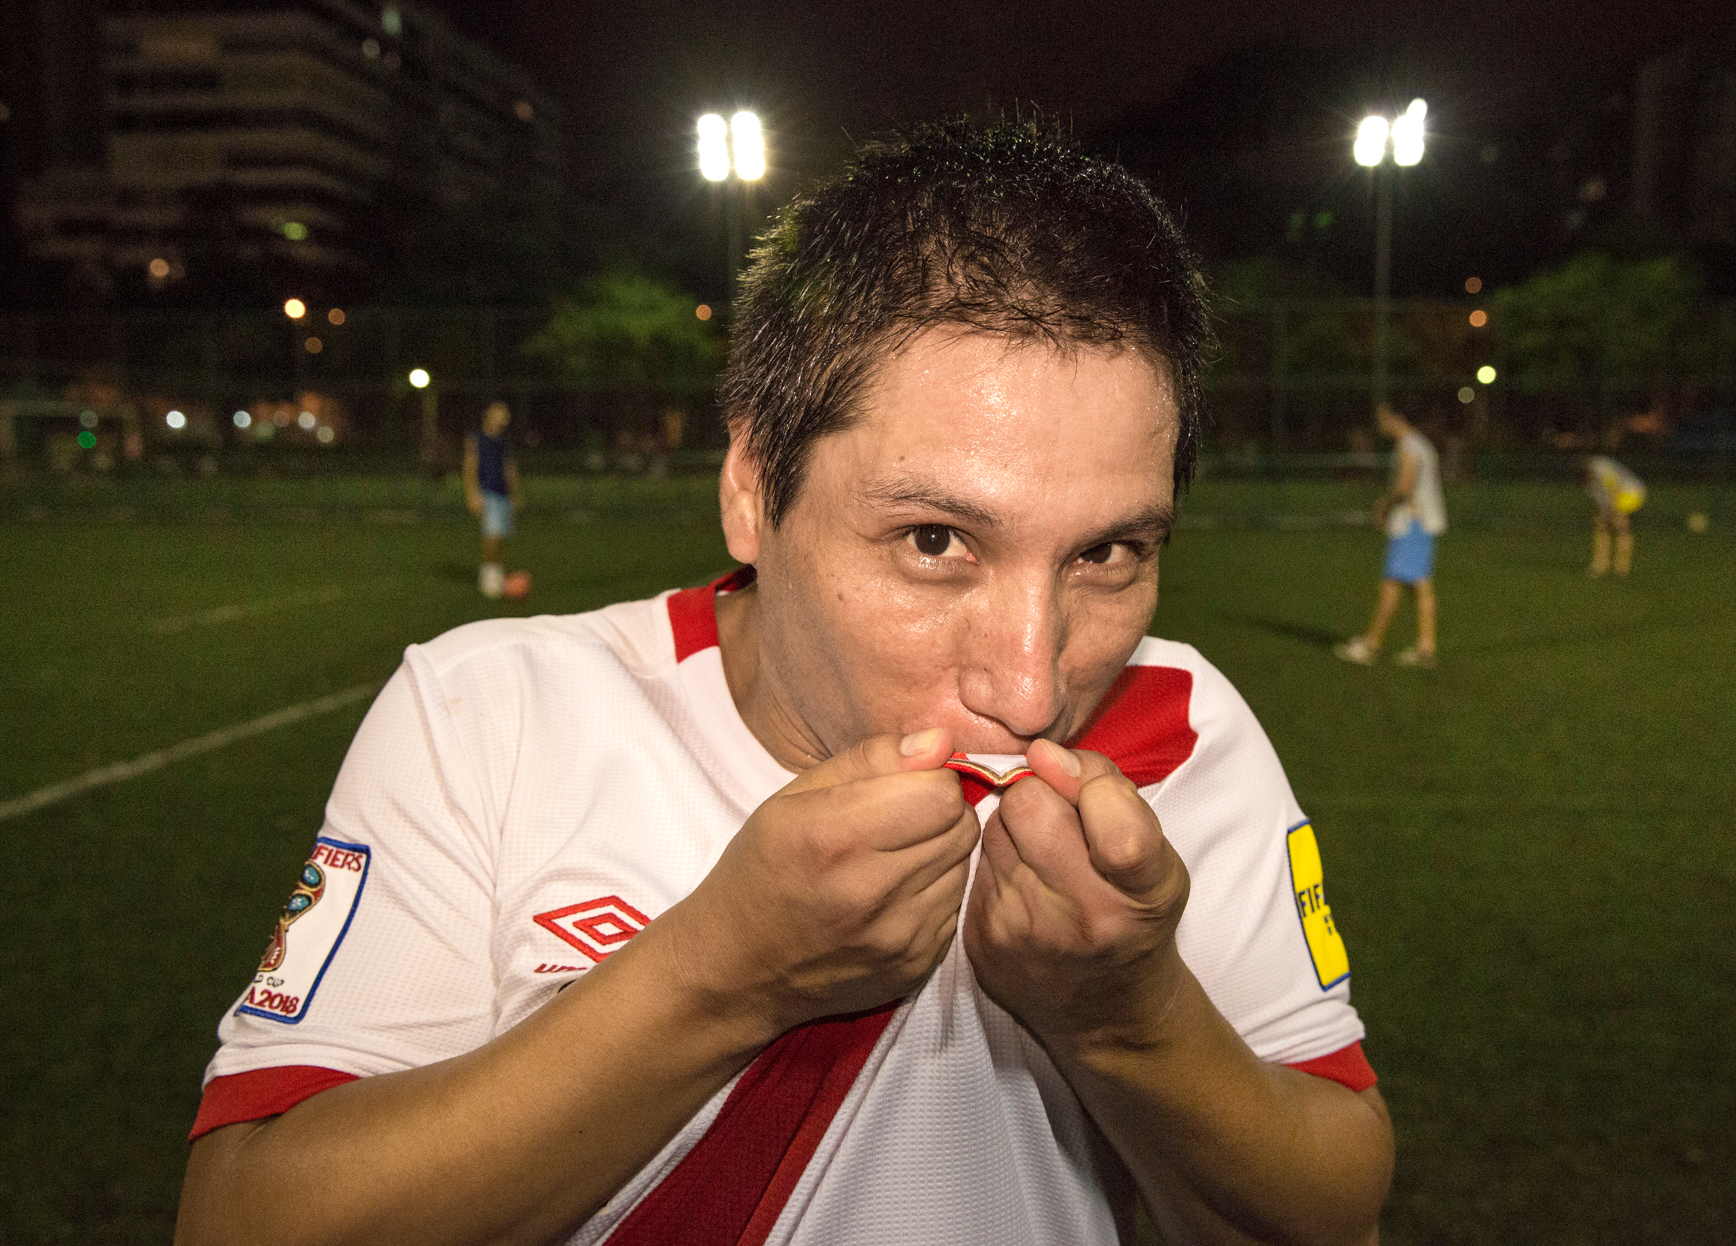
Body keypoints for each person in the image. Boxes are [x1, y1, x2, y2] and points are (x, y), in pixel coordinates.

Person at [177, 121, 1393, 1246]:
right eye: (934, 541)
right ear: (754, 488)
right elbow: (240, 1216)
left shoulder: (1180, 730)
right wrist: (720, 972)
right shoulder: (490, 714)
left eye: (1108, 553)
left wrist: (1132, 1020)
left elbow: (1336, 1199)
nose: (1031, 686)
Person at [1336, 403, 1446, 668]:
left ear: (1398, 417)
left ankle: (1371, 644)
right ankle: (1425, 649)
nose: (1380, 423)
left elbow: (1406, 487)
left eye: (1384, 417)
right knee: (1419, 584)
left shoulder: (1408, 445)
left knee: (1393, 581)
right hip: (1424, 522)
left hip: (1412, 523)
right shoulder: (1422, 443)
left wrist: (1383, 505)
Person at [462, 401, 522, 598]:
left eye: (505, 415)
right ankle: (488, 578)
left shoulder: (503, 441)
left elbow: (509, 468)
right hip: (487, 492)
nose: (503, 418)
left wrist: (515, 494)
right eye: (499, 414)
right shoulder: (477, 439)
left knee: (499, 536)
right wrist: (472, 493)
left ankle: (495, 574)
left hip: (503, 493)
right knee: (491, 535)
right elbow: (470, 466)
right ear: (488, 415)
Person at [1585, 455, 1644, 576]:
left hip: (1630, 493)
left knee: (1621, 526)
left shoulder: (1599, 468)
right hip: (1622, 492)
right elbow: (1601, 499)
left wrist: (1615, 511)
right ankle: (1603, 565)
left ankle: (1620, 567)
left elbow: (1614, 487)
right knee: (1602, 526)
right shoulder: (1591, 483)